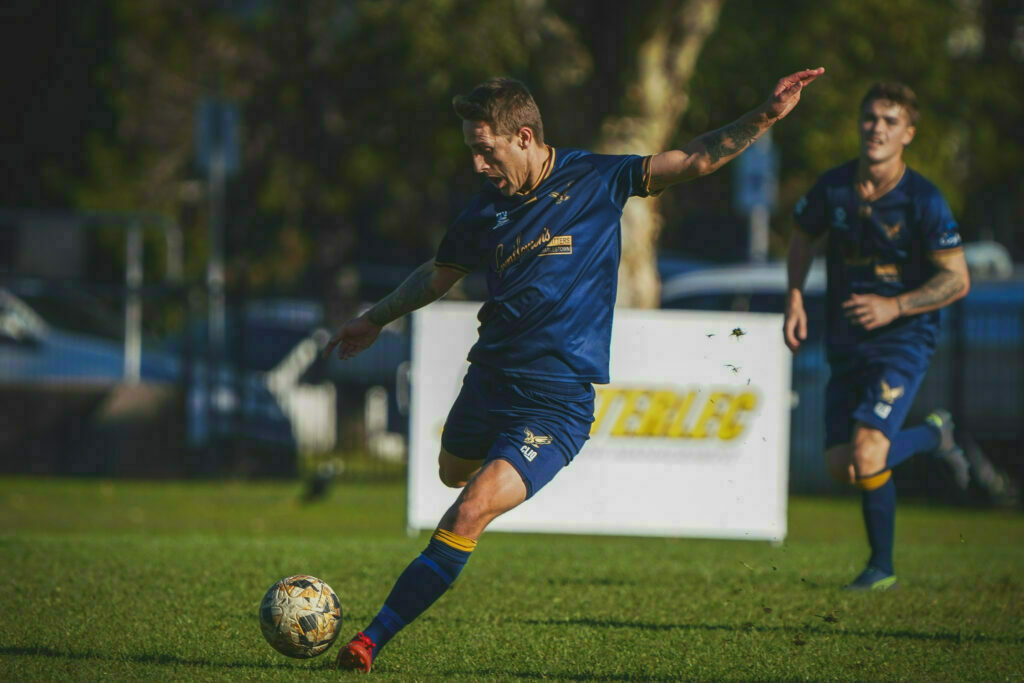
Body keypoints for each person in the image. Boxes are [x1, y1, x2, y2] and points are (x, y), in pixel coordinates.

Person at [326, 67, 824, 672]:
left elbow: (691, 160)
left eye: (486, 152)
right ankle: (489, 466)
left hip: (557, 403)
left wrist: (766, 115)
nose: (478, 166)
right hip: (488, 380)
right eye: (472, 153)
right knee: (451, 473)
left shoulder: (597, 177)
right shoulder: (483, 210)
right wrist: (374, 319)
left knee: (470, 509)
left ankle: (370, 640)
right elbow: (436, 275)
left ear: (526, 137)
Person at [784, 81, 971, 592]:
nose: (877, 129)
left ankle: (880, 568)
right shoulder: (835, 187)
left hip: (903, 340)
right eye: (870, 118)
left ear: (908, 134)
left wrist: (895, 306)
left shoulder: (924, 201)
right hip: (847, 339)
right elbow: (802, 233)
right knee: (843, 467)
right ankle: (935, 434)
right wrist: (795, 297)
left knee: (869, 453)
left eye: (890, 121)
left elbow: (958, 279)